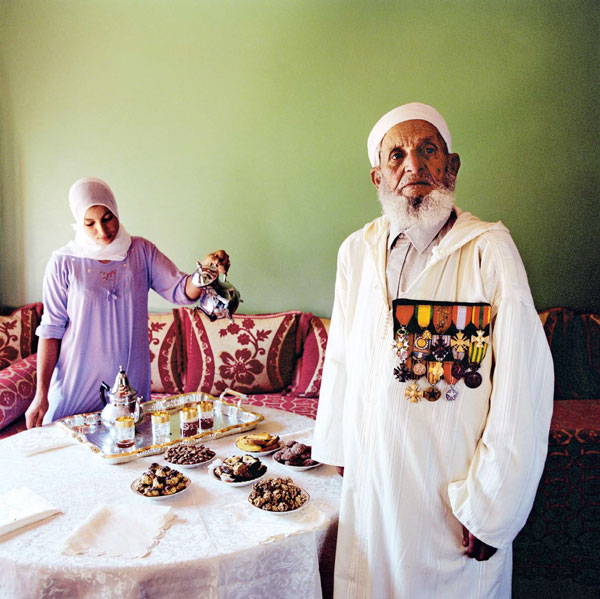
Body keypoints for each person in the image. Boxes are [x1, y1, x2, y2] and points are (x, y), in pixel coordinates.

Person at [312, 103, 554, 598]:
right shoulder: (355, 251)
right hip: (374, 486)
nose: (414, 166)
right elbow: (340, 355)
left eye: (428, 150)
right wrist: (339, 450)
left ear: (452, 167)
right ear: (378, 176)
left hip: (450, 498)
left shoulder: (489, 249)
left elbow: (523, 381)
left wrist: (492, 508)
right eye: (397, 155)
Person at [25, 177, 230, 427]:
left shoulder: (141, 252)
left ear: (116, 210)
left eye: (108, 218)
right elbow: (50, 331)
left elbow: (180, 290)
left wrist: (204, 273)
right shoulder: (63, 262)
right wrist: (41, 395)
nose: (102, 231)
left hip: (129, 387)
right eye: (90, 223)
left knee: (128, 454)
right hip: (74, 384)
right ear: (79, 222)